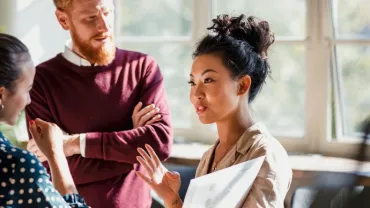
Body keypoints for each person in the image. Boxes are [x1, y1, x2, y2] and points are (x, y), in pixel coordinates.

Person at [25, 0, 173, 207]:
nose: (104, 26)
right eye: (90, 18)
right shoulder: (39, 80)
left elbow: (159, 144)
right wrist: (131, 145)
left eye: (108, 12)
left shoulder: (141, 68)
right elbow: (50, 167)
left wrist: (73, 144)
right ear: (63, 20)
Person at [136, 14, 292, 208]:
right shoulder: (209, 157)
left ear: (242, 85)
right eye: (193, 82)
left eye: (208, 80)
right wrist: (173, 199)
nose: (196, 94)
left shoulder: (265, 155)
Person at [0, 33, 88, 207]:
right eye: (27, 90)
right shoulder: (15, 165)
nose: (29, 100)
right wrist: (56, 155)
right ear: (1, 93)